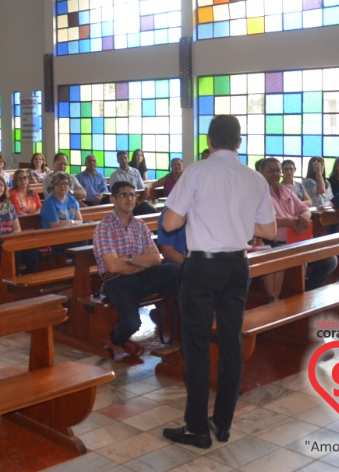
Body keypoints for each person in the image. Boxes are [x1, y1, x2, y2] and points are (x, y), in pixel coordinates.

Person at [162, 115, 276, 449]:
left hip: (202, 267)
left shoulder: (196, 171)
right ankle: (222, 423)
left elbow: (170, 224)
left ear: (209, 141)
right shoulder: (254, 178)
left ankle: (196, 427)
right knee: (231, 343)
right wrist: (235, 221)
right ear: (239, 143)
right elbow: (268, 231)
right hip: (237, 267)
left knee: (196, 347)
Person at [94, 181, 181, 360]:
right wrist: (142, 262)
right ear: (113, 199)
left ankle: (187, 323)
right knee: (132, 324)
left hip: (141, 277)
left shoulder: (139, 225)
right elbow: (113, 266)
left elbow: (157, 258)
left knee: (176, 270)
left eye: (133, 195)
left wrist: (130, 259)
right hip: (116, 281)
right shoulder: (105, 227)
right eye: (124, 195)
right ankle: (116, 338)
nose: (130, 199)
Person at [260, 158, 336, 290]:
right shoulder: (258, 193)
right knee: (300, 261)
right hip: (276, 242)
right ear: (260, 172)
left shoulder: (285, 190)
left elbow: (305, 208)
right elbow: (264, 221)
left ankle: (306, 291)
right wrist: (291, 222)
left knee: (330, 260)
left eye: (278, 171)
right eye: (270, 170)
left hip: (298, 238)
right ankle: (298, 296)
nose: (275, 174)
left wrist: (304, 217)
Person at [108, 151, 156, 215]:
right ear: (118, 161)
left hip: (138, 201)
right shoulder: (114, 175)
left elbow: (141, 188)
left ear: (128, 159)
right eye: (121, 159)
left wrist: (140, 199)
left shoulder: (136, 172)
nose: (124, 160)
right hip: (123, 203)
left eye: (125, 158)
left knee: (153, 211)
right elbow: (114, 192)